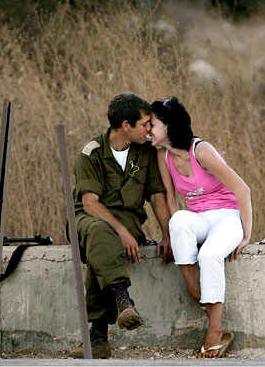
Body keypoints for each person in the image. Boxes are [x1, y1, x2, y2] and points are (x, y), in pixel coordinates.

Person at [68, 93, 172, 359]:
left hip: (126, 225)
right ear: (126, 125)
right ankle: (122, 297)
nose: (150, 129)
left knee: (101, 246)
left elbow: (157, 196)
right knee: (99, 232)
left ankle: (98, 337)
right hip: (88, 221)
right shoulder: (90, 153)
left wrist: (168, 235)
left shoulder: (147, 154)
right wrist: (121, 231)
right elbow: (90, 204)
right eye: (145, 123)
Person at [149, 96, 252, 359]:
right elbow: (172, 201)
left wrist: (246, 233)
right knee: (179, 220)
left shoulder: (201, 151)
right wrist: (177, 233)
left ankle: (215, 330)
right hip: (200, 219)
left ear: (168, 126)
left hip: (227, 216)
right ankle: (194, 288)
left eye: (152, 123)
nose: (148, 129)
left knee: (209, 255)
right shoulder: (163, 156)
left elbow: (242, 189)